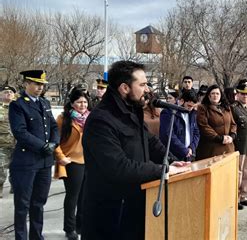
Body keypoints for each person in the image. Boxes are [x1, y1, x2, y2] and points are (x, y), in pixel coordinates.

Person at [81, 61, 189, 240]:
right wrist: (164, 170)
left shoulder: (131, 111)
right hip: (110, 215)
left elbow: (150, 141)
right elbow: (119, 167)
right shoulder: (101, 120)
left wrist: (170, 160)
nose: (147, 89)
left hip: (135, 207)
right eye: (142, 84)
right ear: (124, 88)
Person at [9, 70, 60, 240]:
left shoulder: (44, 103)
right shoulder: (18, 105)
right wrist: (42, 146)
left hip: (44, 162)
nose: (40, 88)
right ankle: (21, 237)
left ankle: (36, 236)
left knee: (39, 203)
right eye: (37, 84)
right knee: (23, 204)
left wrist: (54, 143)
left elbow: (53, 126)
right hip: (26, 162)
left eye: (43, 85)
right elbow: (20, 132)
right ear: (26, 84)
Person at [54, 89, 90, 240]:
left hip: (89, 161)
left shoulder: (90, 117)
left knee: (84, 196)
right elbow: (54, 140)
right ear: (72, 103)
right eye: (79, 102)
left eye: (85, 102)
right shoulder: (64, 118)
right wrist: (60, 156)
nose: (82, 105)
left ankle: (81, 225)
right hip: (72, 161)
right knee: (72, 197)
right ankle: (70, 228)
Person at [195, 85, 237, 160]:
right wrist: (219, 138)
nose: (215, 96)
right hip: (211, 148)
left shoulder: (227, 108)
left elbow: (233, 124)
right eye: (213, 93)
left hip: (228, 147)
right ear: (209, 95)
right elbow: (204, 126)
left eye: (217, 94)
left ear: (221, 95)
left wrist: (232, 136)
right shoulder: (202, 108)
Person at [231, 80, 247, 210]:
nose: (245, 97)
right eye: (243, 94)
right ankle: (236, 197)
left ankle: (244, 196)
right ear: (238, 94)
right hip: (239, 146)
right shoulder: (234, 108)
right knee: (238, 173)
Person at [160, 90, 200, 161]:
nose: (190, 109)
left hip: (189, 155)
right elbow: (167, 134)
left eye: (193, 107)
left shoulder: (192, 113)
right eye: (189, 106)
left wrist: (192, 148)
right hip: (174, 156)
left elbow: (196, 132)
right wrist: (184, 150)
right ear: (181, 101)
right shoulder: (168, 112)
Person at [0, 85, 16, 198]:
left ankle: (15, 187)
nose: (9, 93)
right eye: (6, 92)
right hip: (2, 145)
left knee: (17, 168)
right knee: (1, 169)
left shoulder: (19, 108)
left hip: (18, 144)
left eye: (11, 92)